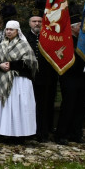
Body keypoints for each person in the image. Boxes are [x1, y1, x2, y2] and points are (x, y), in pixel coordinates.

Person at [0, 20, 38, 140]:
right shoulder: (2, 44)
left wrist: (11, 65)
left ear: (17, 31)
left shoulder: (24, 44)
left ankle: (19, 134)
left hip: (18, 81)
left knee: (18, 108)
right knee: (5, 107)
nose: (9, 32)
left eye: (11, 29)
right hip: (3, 79)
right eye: (7, 29)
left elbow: (30, 62)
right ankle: (4, 132)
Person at [53, 6, 85, 144]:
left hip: (84, 79)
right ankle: (61, 134)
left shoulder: (83, 41)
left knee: (81, 108)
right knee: (68, 107)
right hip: (70, 79)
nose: (82, 28)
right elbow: (66, 60)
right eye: (80, 26)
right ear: (73, 27)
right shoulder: (66, 41)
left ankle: (76, 134)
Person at [25, 13, 57, 141]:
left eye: (39, 21)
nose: (37, 23)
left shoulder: (49, 37)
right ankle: (29, 131)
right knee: (29, 105)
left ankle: (43, 132)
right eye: (34, 21)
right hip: (29, 78)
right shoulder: (25, 38)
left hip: (46, 77)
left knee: (44, 106)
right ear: (29, 23)